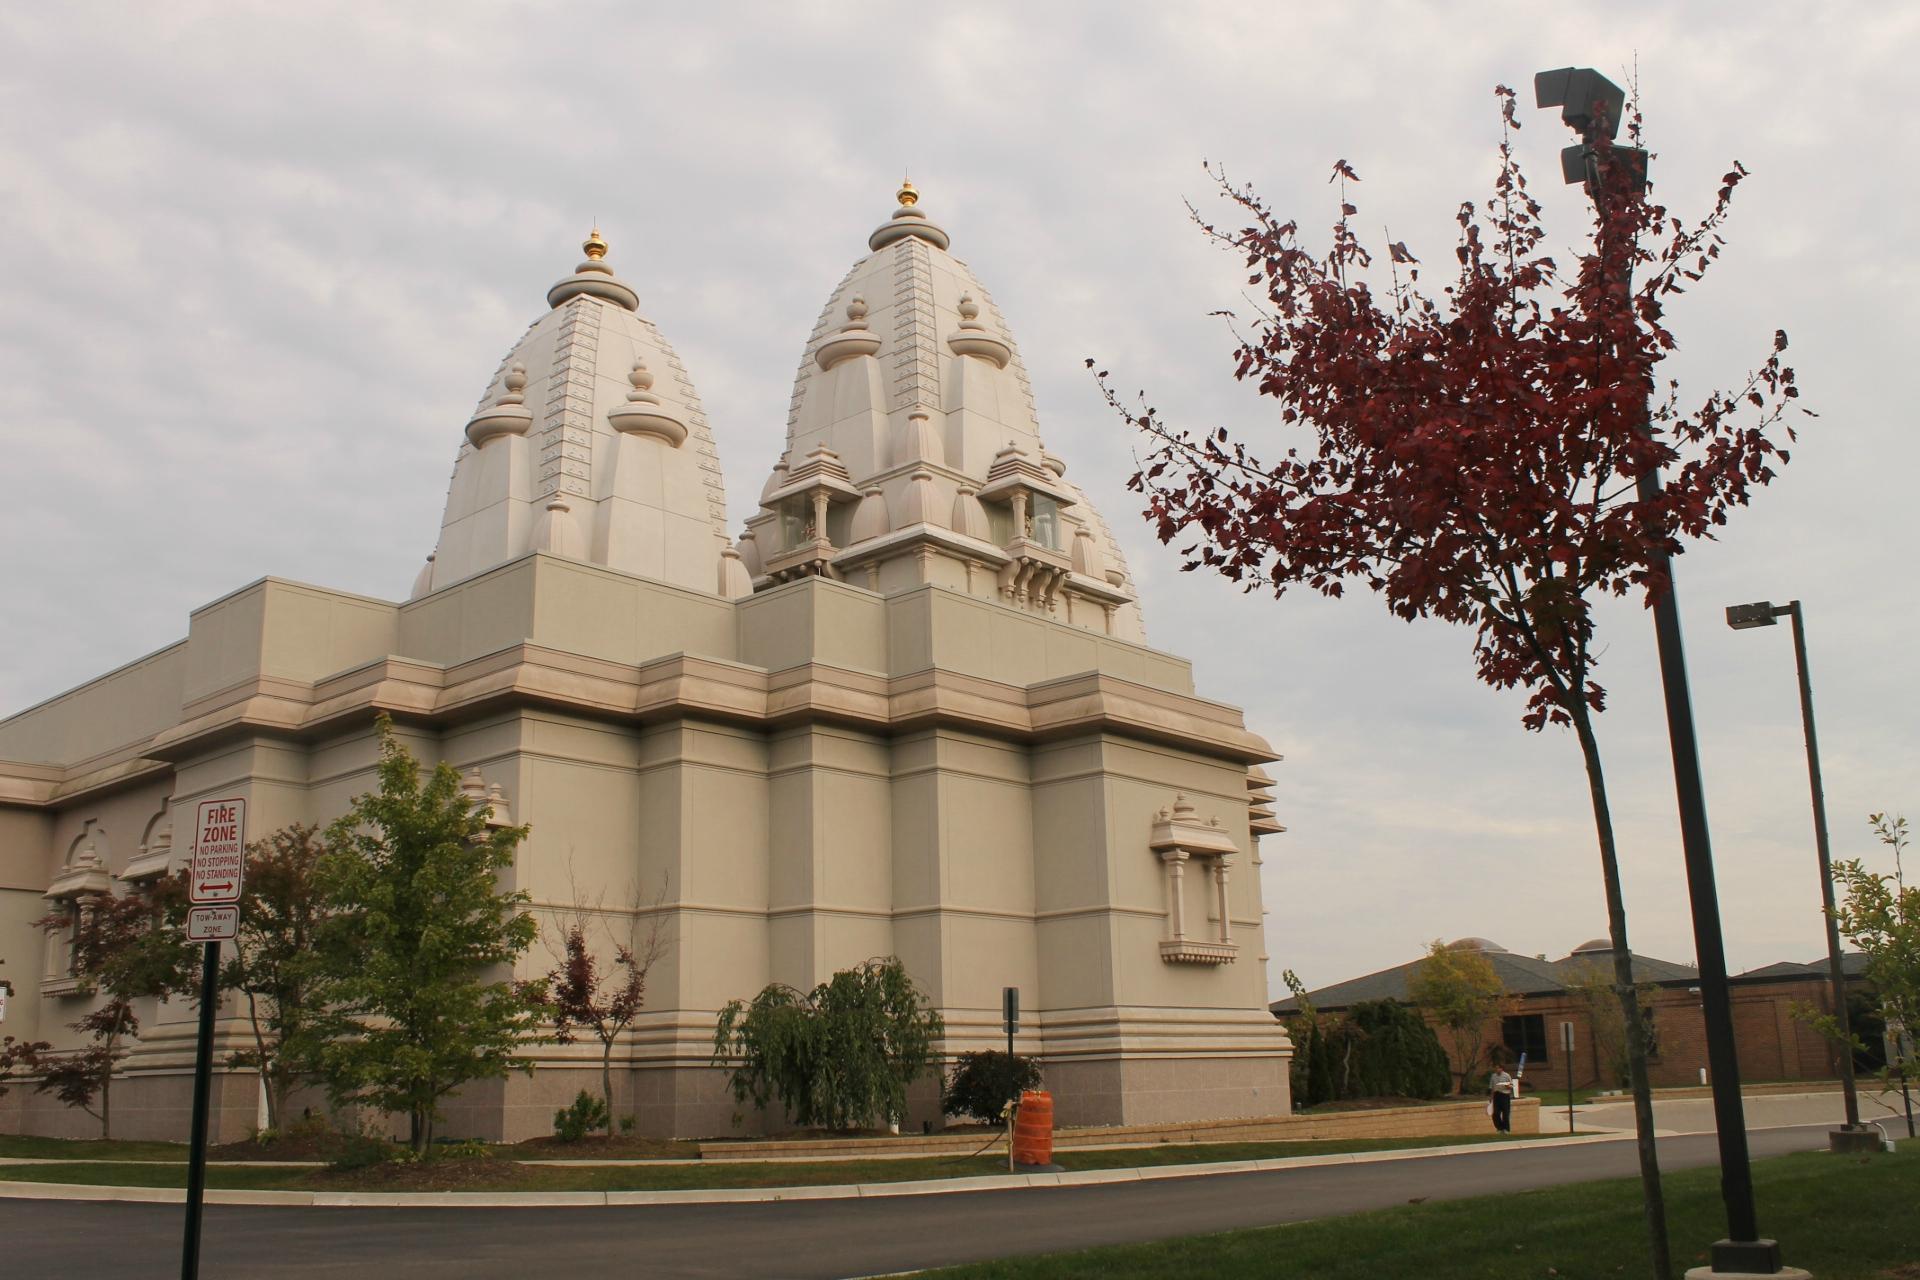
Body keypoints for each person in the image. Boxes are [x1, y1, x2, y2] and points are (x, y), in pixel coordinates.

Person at [1488, 1061, 1515, 1133]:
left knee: (1505, 1113)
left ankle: (1506, 1129)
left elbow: (1512, 1086)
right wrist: (1491, 1097)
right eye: (1495, 1068)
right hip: (1497, 1095)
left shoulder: (1506, 1075)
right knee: (1495, 1113)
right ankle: (1499, 1128)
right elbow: (1492, 1088)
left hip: (1505, 1095)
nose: (1496, 1070)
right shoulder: (1493, 1076)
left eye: (1498, 1068)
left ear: (1501, 1069)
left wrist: (1508, 1086)